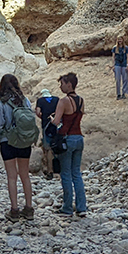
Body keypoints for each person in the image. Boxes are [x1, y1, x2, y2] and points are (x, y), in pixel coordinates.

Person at [0, 73, 35, 222]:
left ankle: (14, 210)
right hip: (24, 141)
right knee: (25, 175)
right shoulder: (25, 101)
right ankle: (29, 209)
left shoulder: (1, 104)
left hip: (7, 142)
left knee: (11, 176)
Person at [50, 72, 87, 218]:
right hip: (79, 138)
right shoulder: (81, 100)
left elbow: (56, 122)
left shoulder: (64, 101)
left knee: (65, 174)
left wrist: (51, 119)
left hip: (67, 139)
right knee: (76, 173)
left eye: (62, 84)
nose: (61, 87)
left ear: (69, 84)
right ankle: (81, 207)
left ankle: (67, 208)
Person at [35, 88, 59, 179]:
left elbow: (38, 112)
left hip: (46, 126)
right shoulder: (56, 99)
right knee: (58, 146)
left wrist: (44, 117)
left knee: (48, 149)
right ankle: (60, 169)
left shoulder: (40, 100)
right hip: (57, 125)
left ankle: (50, 171)